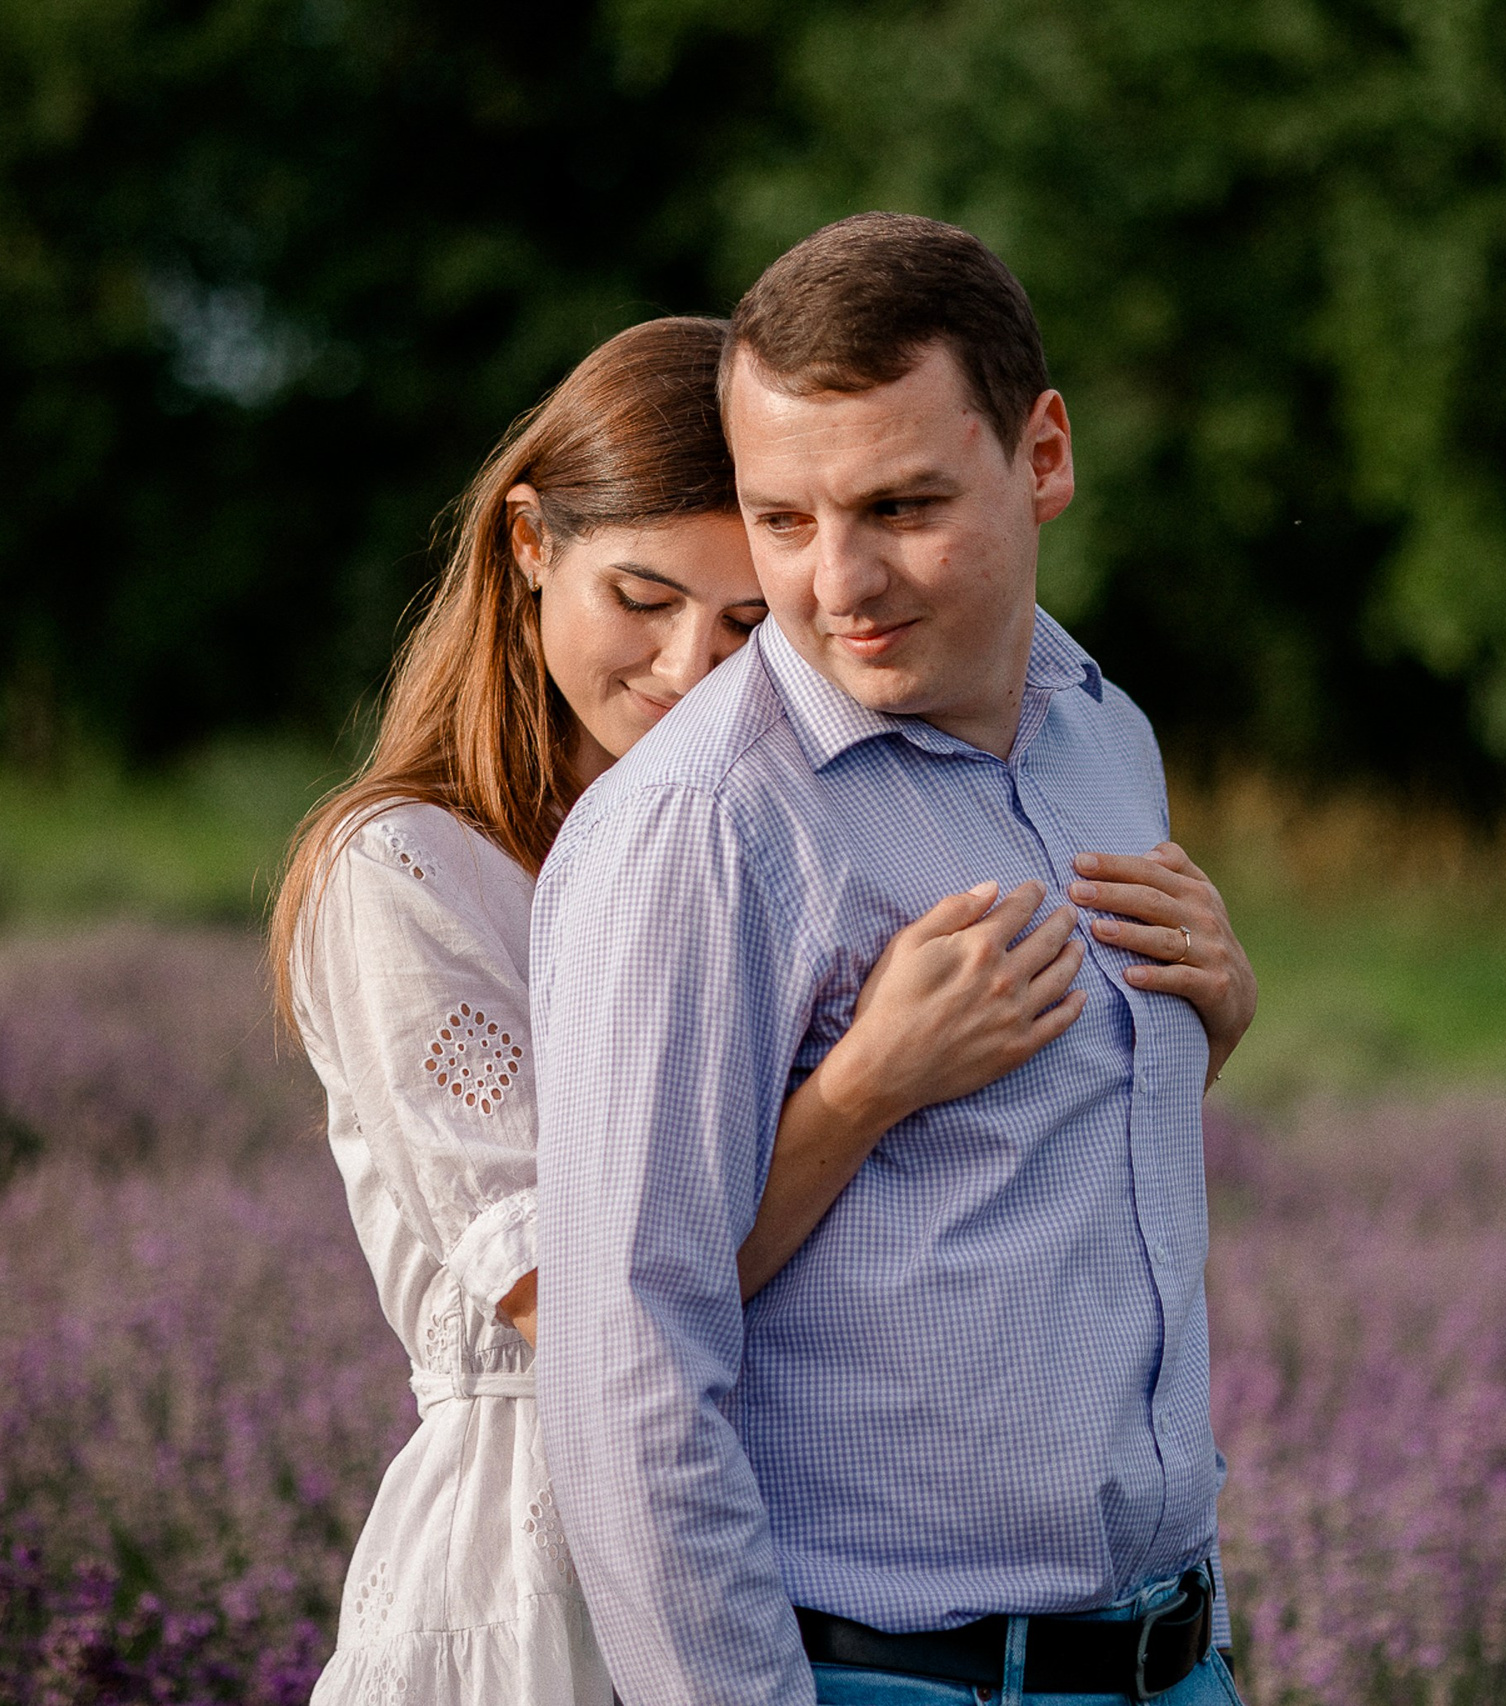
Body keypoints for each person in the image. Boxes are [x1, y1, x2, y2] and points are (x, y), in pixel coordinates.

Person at [272, 315, 1115, 1706]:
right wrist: (864, 1087)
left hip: (788, 1572)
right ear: (530, 545)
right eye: (643, 597)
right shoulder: (411, 873)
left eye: (745, 624)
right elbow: (598, 1316)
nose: (686, 672)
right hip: (536, 1594)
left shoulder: (756, 840)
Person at [531, 216, 1258, 1706]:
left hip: (1171, 1658)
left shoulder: (1105, 738)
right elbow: (626, 1371)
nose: (837, 583)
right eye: (782, 520)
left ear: (1042, 454)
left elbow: (1048, 1182)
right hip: (894, 1679)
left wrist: (1205, 1029)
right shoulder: (700, 829)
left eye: (901, 504)